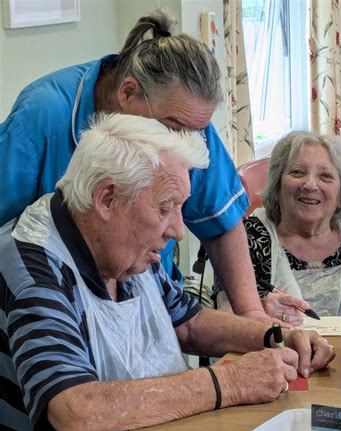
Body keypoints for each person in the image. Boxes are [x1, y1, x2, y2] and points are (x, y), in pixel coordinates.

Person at [0, 115, 335, 431]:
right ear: (107, 199)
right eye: (165, 208)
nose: (177, 229)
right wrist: (230, 382)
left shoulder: (124, 248)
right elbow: (76, 411)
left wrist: (276, 335)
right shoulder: (33, 262)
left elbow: (188, 322)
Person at [0, 8, 267, 322]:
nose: (184, 139)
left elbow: (220, 221)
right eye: (174, 126)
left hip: (149, 299)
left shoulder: (186, 119)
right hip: (57, 313)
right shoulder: (43, 116)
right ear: (127, 92)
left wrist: (253, 317)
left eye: (195, 130)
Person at [217, 132, 341, 323]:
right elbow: (225, 323)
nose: (310, 185)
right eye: (297, 172)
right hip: (272, 353)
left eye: (326, 176)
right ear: (277, 185)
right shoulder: (247, 238)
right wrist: (259, 311)